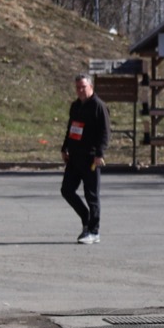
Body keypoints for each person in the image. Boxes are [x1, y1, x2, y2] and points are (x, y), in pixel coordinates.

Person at [61, 75, 108, 243]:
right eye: (77, 87)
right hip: (75, 156)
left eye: (83, 87)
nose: (80, 90)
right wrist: (65, 147)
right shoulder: (76, 106)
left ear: (91, 87)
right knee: (67, 190)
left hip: (91, 158)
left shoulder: (98, 106)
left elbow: (105, 132)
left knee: (91, 195)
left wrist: (99, 154)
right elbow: (71, 128)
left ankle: (94, 231)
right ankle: (86, 218)